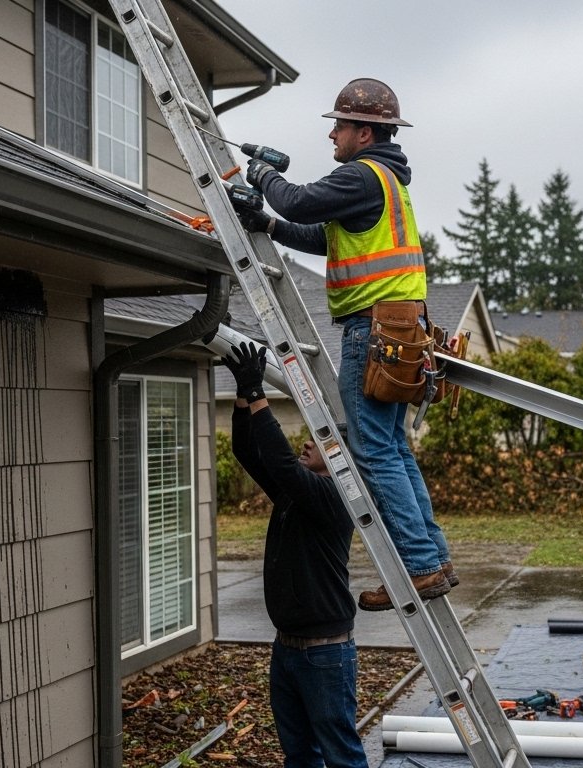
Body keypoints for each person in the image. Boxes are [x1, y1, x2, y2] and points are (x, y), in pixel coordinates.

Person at [235, 78, 454, 611]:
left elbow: (303, 202)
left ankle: (421, 566)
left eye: (339, 125)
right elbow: (320, 235)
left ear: (364, 131)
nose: (332, 134)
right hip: (400, 327)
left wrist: (263, 175)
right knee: (393, 448)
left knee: (371, 450)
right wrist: (266, 221)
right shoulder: (387, 183)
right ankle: (434, 558)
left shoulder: (361, 175)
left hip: (372, 328)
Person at [224, 341, 369, 768]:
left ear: (340, 459)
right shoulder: (295, 496)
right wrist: (241, 394)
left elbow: (282, 463)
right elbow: (248, 452)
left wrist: (258, 395)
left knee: (341, 756)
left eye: (319, 441)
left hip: (325, 653)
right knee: (299, 756)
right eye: (310, 436)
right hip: (287, 649)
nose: (307, 443)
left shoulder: (333, 498)